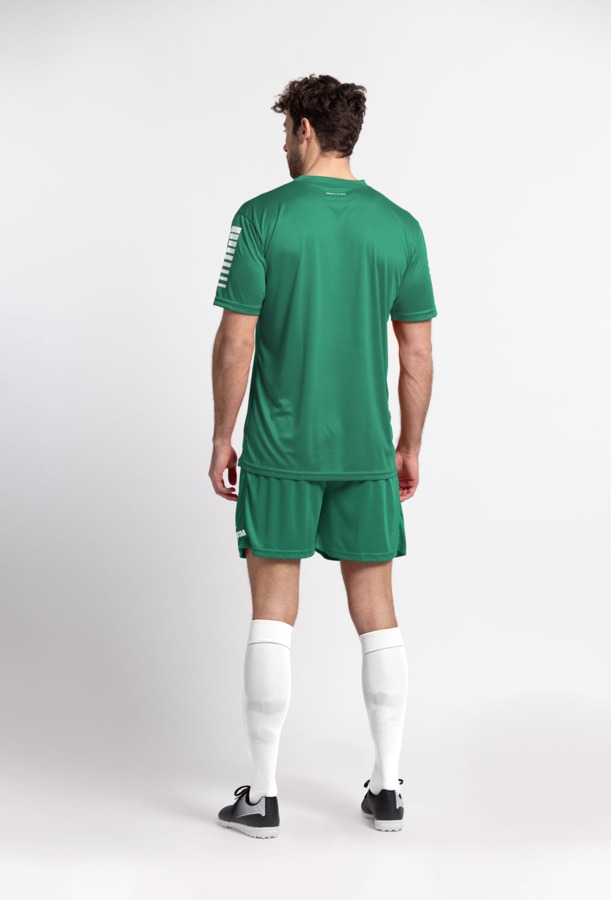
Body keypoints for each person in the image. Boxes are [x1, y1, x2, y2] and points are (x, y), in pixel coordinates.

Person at [208, 74, 436, 838]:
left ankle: (263, 796)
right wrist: (408, 445)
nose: (283, 144)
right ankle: (387, 787)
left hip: (279, 451)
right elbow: (416, 355)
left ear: (304, 129)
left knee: (272, 613)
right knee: (378, 616)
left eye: (285, 131)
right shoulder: (400, 227)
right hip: (366, 452)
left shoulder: (260, 217)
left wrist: (221, 435)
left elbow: (236, 339)